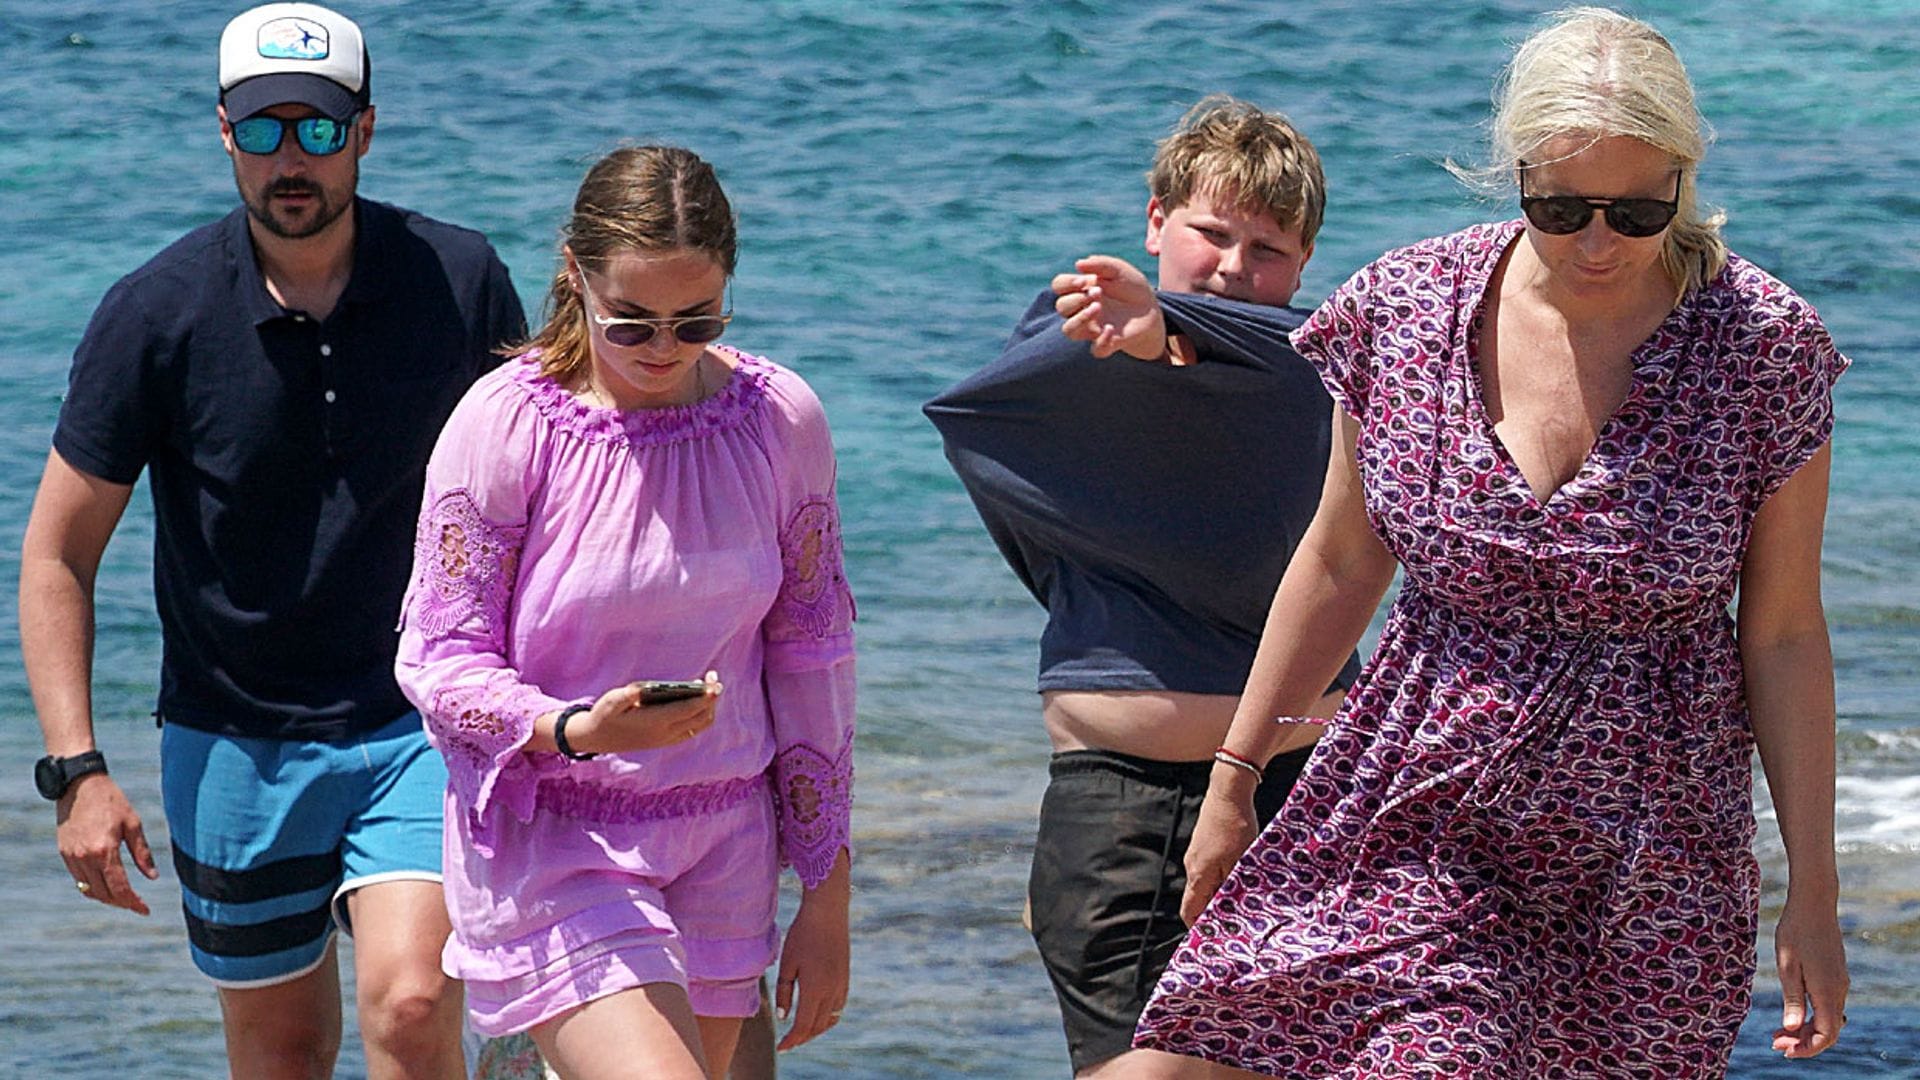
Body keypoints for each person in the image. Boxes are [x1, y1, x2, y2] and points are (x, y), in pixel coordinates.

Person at [1122, 8, 1851, 1077]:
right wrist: (1236, 780)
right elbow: (1338, 559)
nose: (1598, 241)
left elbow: (1784, 635)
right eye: (1559, 206)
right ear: (1512, 173)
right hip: (1413, 812)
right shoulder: (1407, 310)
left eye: (1637, 209)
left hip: (1647, 866)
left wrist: (1815, 898)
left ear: (1683, 182)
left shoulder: (1764, 349)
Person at [18, 4, 525, 1077]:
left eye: (318, 130)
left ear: (367, 130)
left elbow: (541, 489)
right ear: (223, 134)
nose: (289, 160)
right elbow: (59, 554)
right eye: (261, 131)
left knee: (411, 1001)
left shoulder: (460, 279)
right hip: (231, 738)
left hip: (418, 715)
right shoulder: (152, 315)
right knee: (283, 1050)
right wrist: (78, 771)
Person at [394, 145, 855, 1080]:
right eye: (631, 323)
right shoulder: (507, 424)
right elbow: (439, 655)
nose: (662, 350)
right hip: (556, 836)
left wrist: (826, 895)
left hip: (725, 841)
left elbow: (815, 656)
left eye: (696, 322)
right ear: (576, 275)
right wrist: (569, 727)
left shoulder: (779, 419)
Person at [924, 96, 1360, 1078]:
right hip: (1123, 815)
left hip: (1302, 797)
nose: (1237, 267)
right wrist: (1153, 337)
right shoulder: (1075, 331)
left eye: (1270, 248)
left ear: (1305, 264)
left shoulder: (1318, 373)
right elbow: (972, 427)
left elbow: (1290, 356)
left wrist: (1172, 324)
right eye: (1211, 235)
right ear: (1155, 221)